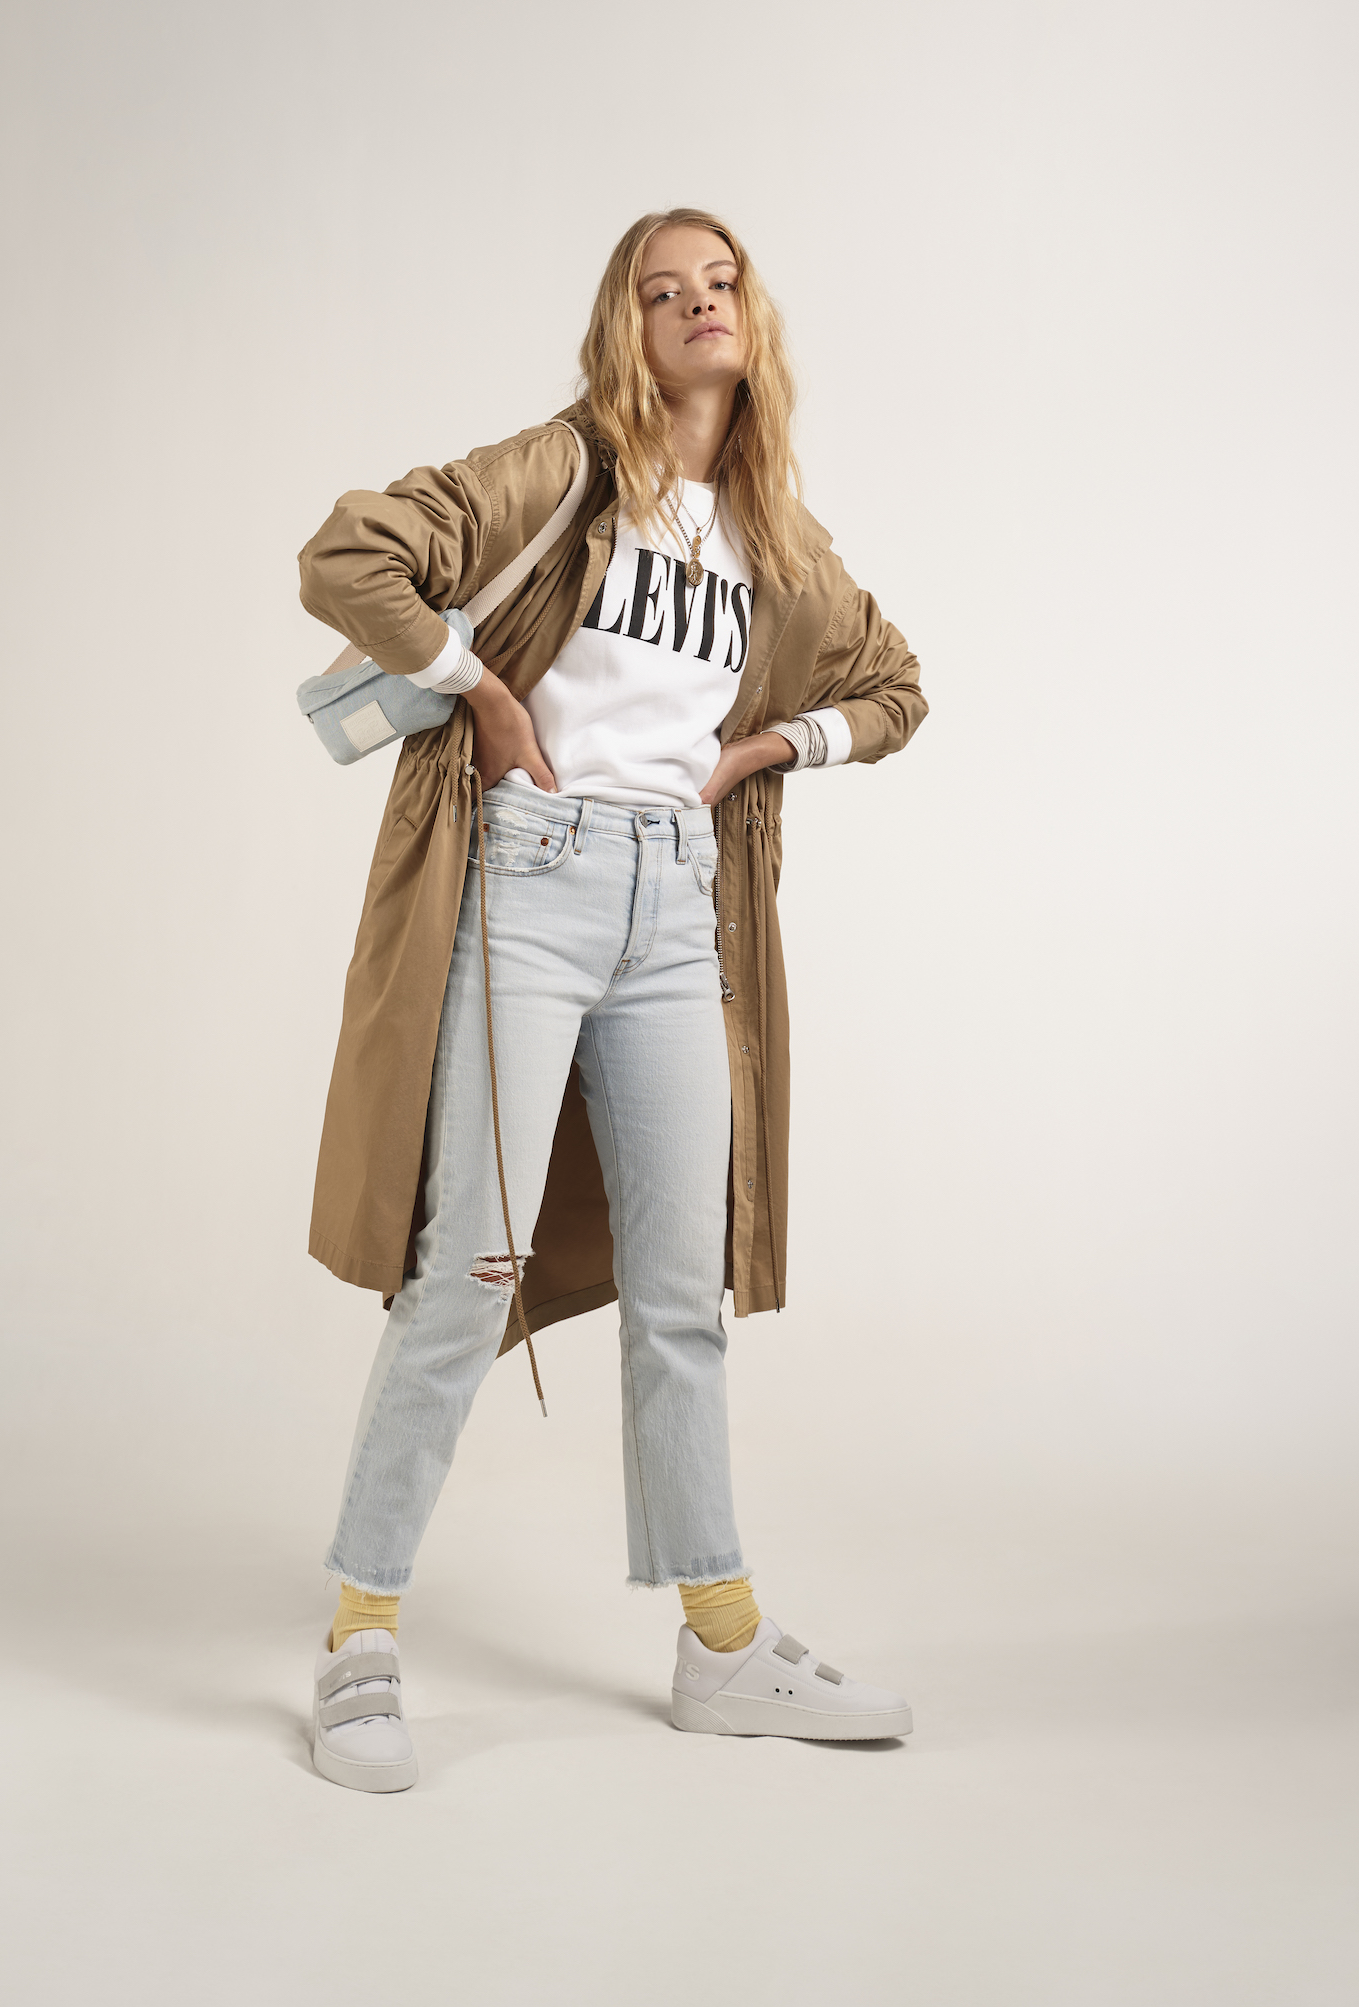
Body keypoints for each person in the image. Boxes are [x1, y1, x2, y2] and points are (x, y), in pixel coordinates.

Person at [297, 208, 927, 1792]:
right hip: (532, 879)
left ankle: (722, 1641)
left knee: (680, 1287)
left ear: (750, 319)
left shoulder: (772, 534)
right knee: (471, 1264)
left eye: (721, 284)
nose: (699, 305)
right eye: (665, 290)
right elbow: (347, 554)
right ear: (625, 327)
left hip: (675, 904)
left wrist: (763, 747)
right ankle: (360, 1632)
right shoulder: (566, 470)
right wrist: (477, 685)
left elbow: (895, 686)